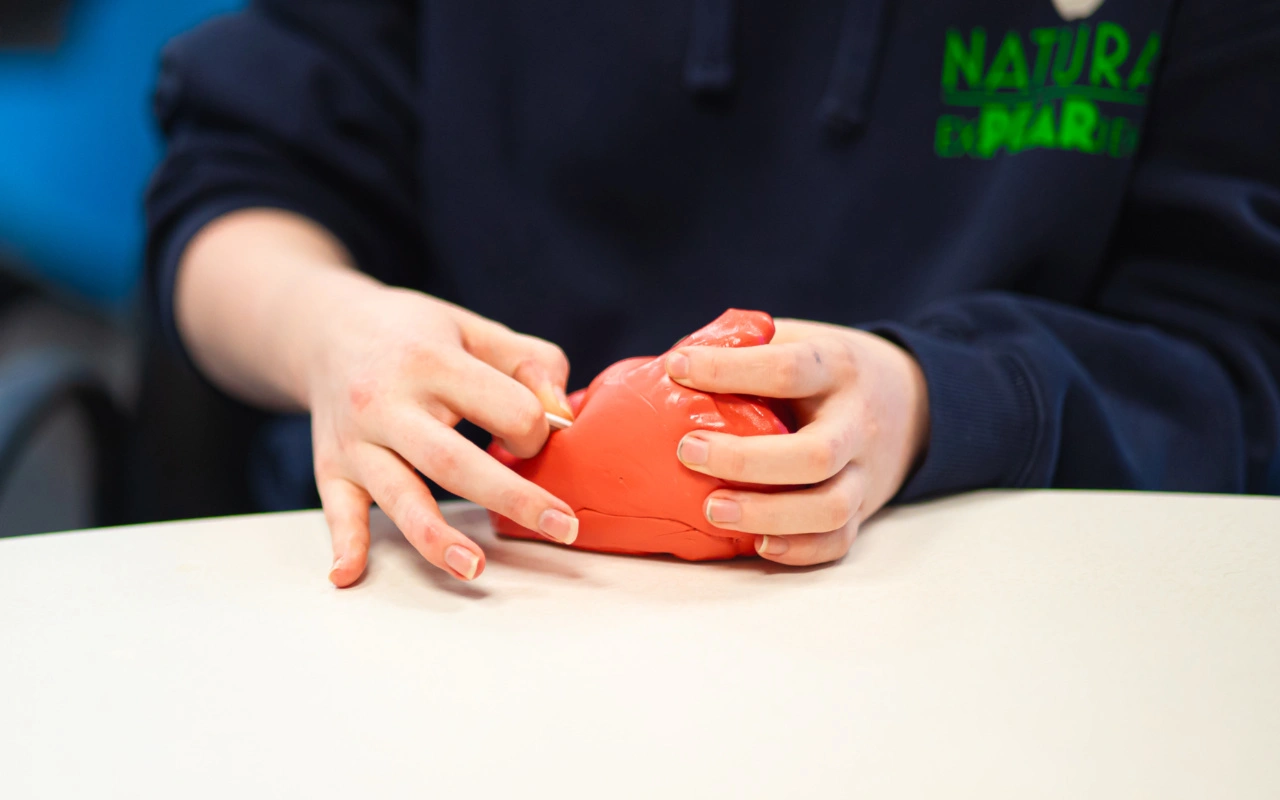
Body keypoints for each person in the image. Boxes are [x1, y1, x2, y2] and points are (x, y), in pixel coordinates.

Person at [146, 0, 1280, 585]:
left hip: (969, 645)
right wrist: (327, 329)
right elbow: (233, 190)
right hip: (457, 601)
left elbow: (1231, 357)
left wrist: (938, 400)